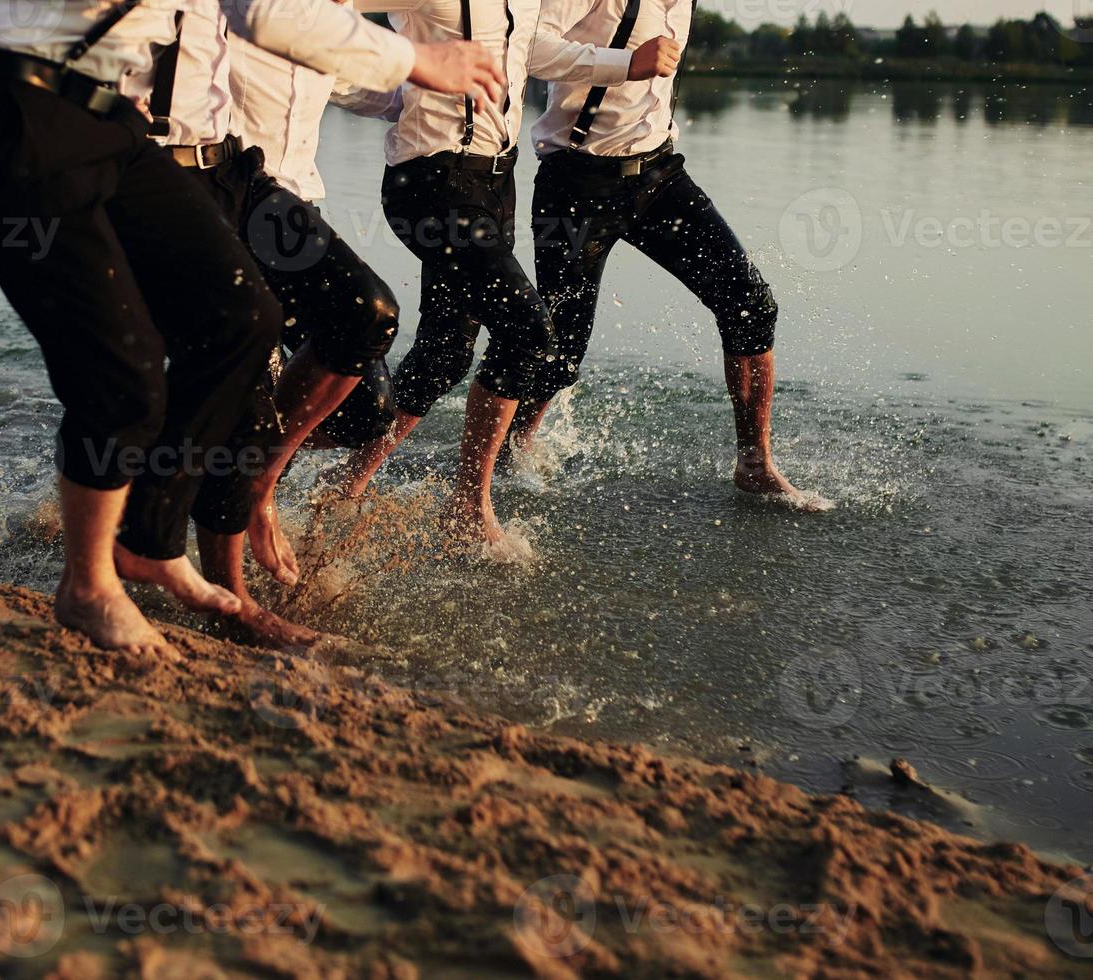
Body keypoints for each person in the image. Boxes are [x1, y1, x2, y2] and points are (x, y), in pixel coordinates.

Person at [0, 0, 505, 655]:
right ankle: (109, 578)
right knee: (129, 370)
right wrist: (419, 58)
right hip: (23, 104)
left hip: (152, 138)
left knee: (250, 324)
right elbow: (264, 12)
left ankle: (156, 532)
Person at [135, 0, 506, 645]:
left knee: (366, 381)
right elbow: (267, 19)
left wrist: (428, 91)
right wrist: (415, 57)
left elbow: (355, 78)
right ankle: (228, 592)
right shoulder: (252, 15)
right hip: (187, 189)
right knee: (242, 392)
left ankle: (235, 474)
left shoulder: (315, 20)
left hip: (269, 199)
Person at [513, 0, 829, 510]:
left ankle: (755, 465)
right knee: (559, 350)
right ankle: (515, 448)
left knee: (748, 303)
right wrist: (625, 64)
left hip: (660, 178)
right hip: (576, 185)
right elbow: (525, 47)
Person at [329, 0, 622, 545]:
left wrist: (622, 64)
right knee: (528, 329)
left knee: (446, 350)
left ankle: (348, 480)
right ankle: (469, 503)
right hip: (429, 182)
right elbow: (324, 21)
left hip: (495, 182)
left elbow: (539, 53)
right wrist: (389, 98)